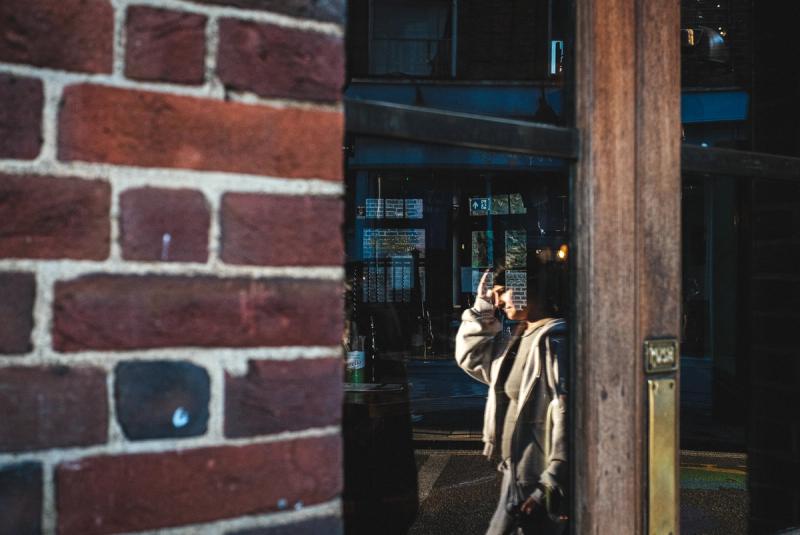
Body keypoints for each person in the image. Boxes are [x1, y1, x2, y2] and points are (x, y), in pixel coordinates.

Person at [455, 266, 568, 535]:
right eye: (495, 294)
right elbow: (470, 359)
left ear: (528, 289)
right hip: (514, 473)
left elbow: (570, 415)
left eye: (503, 291)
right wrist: (481, 310)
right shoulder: (518, 336)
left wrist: (549, 483)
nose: (499, 301)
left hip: (537, 479)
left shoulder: (555, 340)